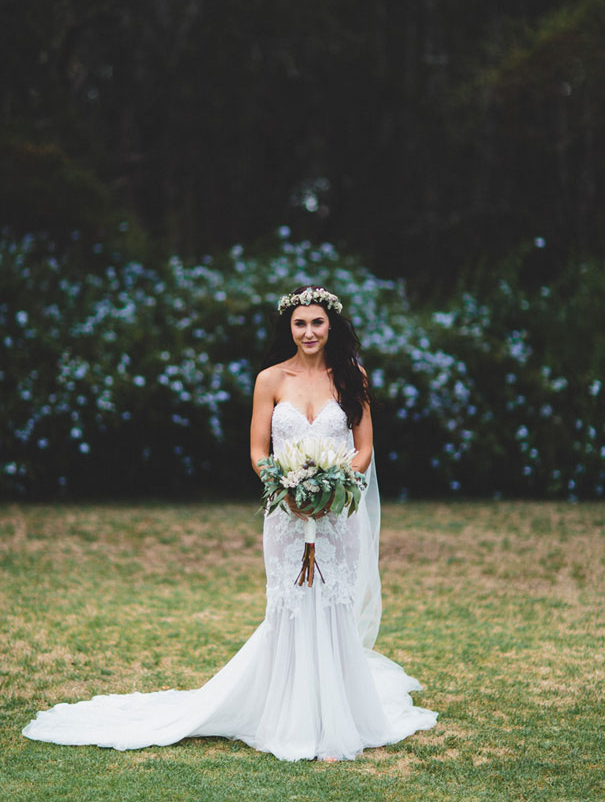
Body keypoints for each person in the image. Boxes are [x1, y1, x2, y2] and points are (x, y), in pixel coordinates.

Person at [22, 285, 438, 760]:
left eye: (317, 323)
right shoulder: (270, 380)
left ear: (331, 326)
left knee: (333, 603)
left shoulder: (352, 377)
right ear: (289, 327)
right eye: (299, 323)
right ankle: (290, 716)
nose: (308, 332)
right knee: (291, 604)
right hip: (285, 515)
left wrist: (332, 490)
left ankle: (338, 717)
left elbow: (363, 448)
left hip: (336, 516)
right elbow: (259, 451)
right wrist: (286, 489)